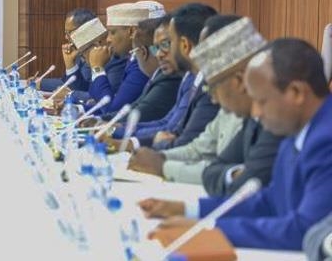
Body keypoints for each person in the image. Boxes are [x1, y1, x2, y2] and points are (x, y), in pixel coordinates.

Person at [141, 39, 332, 251]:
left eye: (262, 101)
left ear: (296, 93)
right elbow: (270, 202)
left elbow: (305, 229)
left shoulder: (326, 139)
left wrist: (209, 229)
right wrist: (188, 209)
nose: (256, 112)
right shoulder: (296, 130)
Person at [193, 16, 283, 196]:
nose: (213, 99)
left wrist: (242, 176)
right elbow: (211, 171)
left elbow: (247, 188)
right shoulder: (252, 119)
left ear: (239, 81)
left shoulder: (278, 117)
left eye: (213, 87)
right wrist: (235, 173)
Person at [112, 3, 219, 151]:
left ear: (184, 45)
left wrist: (127, 140)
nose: (158, 54)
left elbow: (180, 137)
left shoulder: (211, 85)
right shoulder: (190, 78)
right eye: (156, 47)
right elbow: (168, 124)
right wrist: (119, 132)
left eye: (168, 43)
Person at [86, 2, 160, 114]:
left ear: (131, 32)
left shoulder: (143, 63)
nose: (108, 40)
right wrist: (80, 109)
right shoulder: (131, 57)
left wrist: (97, 68)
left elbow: (112, 109)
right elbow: (111, 103)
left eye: (112, 33)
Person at [123, 16, 182, 122]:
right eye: (156, 48)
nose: (159, 54)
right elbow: (134, 107)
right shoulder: (160, 74)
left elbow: (138, 115)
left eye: (165, 45)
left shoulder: (171, 78)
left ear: (143, 52)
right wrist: (100, 120)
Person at [60, 11, 128, 99]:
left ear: (96, 45)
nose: (83, 57)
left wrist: (70, 94)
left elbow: (105, 98)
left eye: (83, 52)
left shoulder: (117, 61)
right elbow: (87, 88)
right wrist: (70, 64)